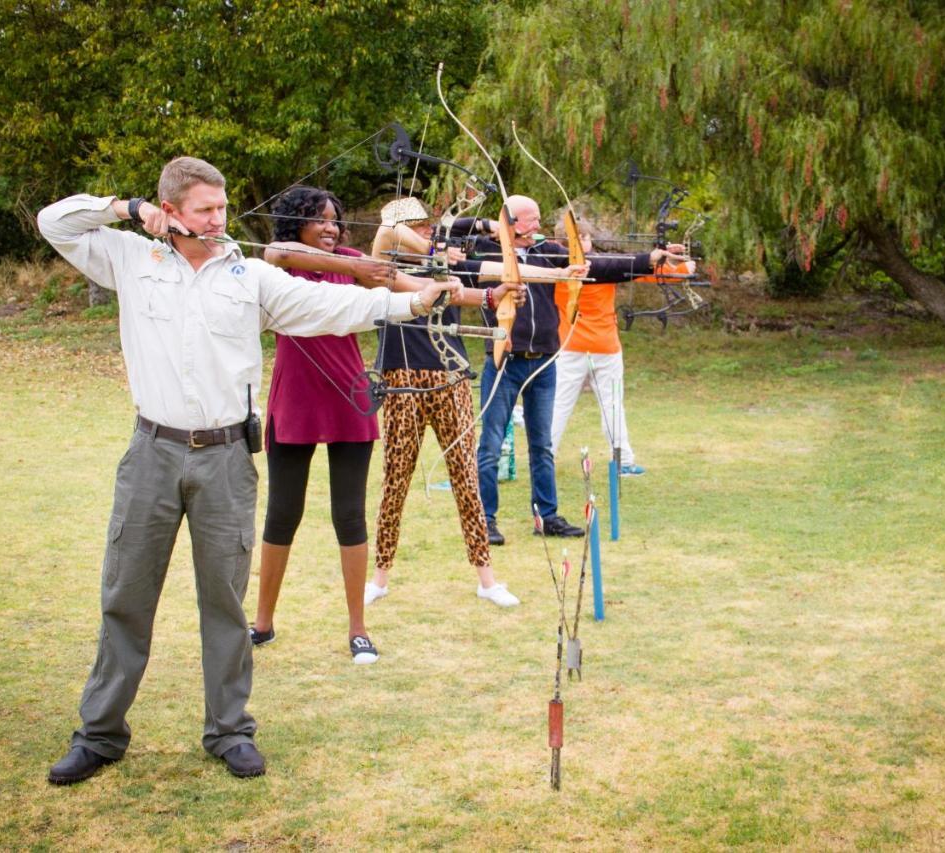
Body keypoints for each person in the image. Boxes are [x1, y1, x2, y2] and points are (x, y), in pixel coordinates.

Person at [37, 157, 454, 784]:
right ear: (170, 211)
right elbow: (54, 223)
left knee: (225, 602)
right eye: (204, 209)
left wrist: (412, 300)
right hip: (151, 451)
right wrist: (124, 209)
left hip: (227, 457)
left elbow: (325, 306)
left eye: (223, 208)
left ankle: (229, 730)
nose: (218, 219)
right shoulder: (130, 258)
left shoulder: (250, 275)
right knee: (126, 595)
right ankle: (99, 735)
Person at [249, 186, 450, 661]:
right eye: (319, 219)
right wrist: (355, 267)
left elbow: (414, 290)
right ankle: (261, 622)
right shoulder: (281, 264)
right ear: (295, 221)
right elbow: (275, 250)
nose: (331, 227)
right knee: (282, 514)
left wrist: (481, 291)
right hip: (295, 397)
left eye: (335, 219)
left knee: (349, 515)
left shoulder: (356, 260)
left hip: (348, 396)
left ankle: (358, 629)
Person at [364, 198, 580, 608]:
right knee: (396, 479)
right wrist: (453, 239)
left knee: (466, 477)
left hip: (451, 378)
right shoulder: (384, 267)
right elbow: (387, 228)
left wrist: (560, 274)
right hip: (401, 379)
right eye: (422, 228)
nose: (429, 234)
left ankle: (487, 580)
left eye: (431, 228)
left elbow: (498, 272)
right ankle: (379, 578)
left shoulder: (447, 268)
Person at [469, 195, 682, 546]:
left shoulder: (547, 251)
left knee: (542, 445)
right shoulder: (486, 255)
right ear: (508, 222)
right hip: (504, 360)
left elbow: (599, 266)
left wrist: (651, 259)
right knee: (490, 444)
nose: (537, 226)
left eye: (538, 219)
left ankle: (546, 515)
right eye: (530, 219)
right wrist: (490, 231)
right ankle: (485, 520)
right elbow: (462, 251)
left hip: (544, 360)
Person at [548, 217, 694, 476]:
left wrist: (672, 263)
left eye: (584, 237)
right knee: (597, 404)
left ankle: (552, 459)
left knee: (572, 404)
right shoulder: (603, 266)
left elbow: (644, 271)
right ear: (564, 243)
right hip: (594, 347)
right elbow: (644, 270)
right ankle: (620, 461)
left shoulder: (554, 264)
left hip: (579, 346)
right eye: (576, 238)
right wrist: (683, 267)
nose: (582, 241)